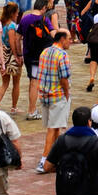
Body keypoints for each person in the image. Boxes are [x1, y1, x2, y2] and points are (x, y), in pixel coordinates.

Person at [37, 29, 72, 172]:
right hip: (58, 95)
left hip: (44, 94)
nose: (70, 41)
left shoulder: (44, 52)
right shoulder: (62, 55)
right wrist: (67, 93)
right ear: (62, 39)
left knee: (55, 127)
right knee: (53, 128)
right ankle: (44, 159)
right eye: (69, 38)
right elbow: (64, 78)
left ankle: (56, 157)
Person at [20, 0, 57, 119]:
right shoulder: (44, 19)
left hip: (28, 55)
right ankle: (32, 110)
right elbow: (53, 35)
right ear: (43, 8)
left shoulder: (24, 19)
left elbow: (17, 37)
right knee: (35, 83)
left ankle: (33, 108)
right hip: (40, 56)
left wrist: (17, 53)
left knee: (32, 81)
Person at [0, 2, 23, 112]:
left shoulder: (2, 23)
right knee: (16, 83)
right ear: (12, 13)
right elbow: (12, 43)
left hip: (2, 55)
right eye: (16, 13)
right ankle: (14, 107)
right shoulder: (11, 26)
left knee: (5, 83)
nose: (17, 15)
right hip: (10, 56)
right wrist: (17, 56)